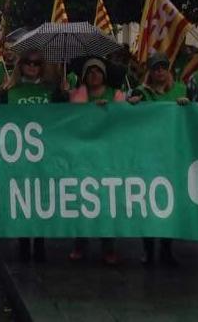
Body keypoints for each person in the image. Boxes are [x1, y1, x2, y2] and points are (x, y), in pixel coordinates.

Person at [0, 50, 67, 262]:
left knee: (41, 200)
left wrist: (66, 94)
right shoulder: (8, 91)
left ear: (42, 67)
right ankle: (22, 242)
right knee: (20, 199)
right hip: (17, 156)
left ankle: (39, 242)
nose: (32, 66)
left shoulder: (52, 91)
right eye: (27, 62)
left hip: (44, 156)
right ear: (20, 65)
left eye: (37, 63)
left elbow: (69, 117)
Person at [128, 52, 186, 266]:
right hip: (148, 154)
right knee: (149, 201)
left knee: (169, 202)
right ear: (150, 72)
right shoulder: (141, 92)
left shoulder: (181, 90)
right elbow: (129, 117)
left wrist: (189, 105)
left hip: (173, 153)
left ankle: (167, 248)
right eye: (155, 68)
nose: (160, 71)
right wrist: (131, 104)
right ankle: (148, 248)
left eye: (163, 67)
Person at [68, 58, 125, 265]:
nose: (94, 75)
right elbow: (69, 120)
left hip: (108, 156)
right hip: (83, 156)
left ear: (104, 75)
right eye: (89, 71)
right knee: (82, 200)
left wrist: (109, 109)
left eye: (98, 71)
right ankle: (80, 243)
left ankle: (108, 246)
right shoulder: (76, 95)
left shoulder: (116, 95)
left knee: (107, 202)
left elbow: (123, 119)